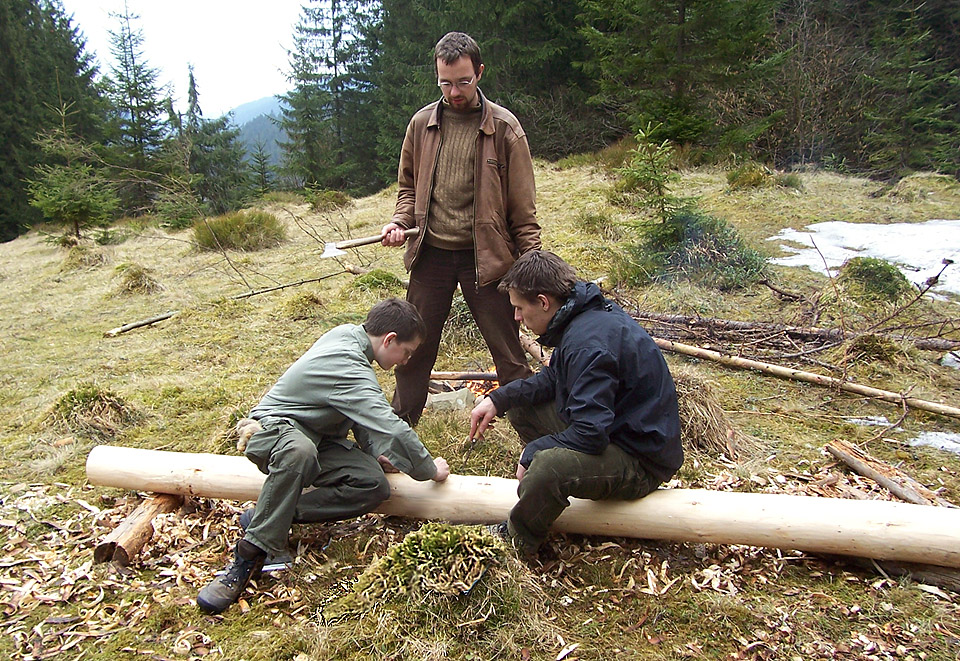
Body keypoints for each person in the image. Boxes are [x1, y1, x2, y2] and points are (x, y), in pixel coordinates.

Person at [197, 299, 450, 614]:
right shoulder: (348, 364)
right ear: (389, 339)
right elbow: (392, 428)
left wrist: (377, 455)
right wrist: (429, 469)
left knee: (372, 484)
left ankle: (268, 518)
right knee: (298, 451)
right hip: (275, 432)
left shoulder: (348, 335)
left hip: (318, 440)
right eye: (407, 352)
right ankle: (247, 555)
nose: (406, 360)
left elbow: (359, 416)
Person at [468, 251, 683, 555]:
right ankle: (550, 494)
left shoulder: (588, 343)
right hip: (612, 430)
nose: (517, 317)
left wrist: (534, 454)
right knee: (518, 403)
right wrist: (497, 399)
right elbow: (554, 379)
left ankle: (516, 543)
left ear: (543, 302)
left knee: (547, 467)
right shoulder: (582, 317)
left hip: (640, 459)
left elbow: (590, 433)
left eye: (519, 308)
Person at [380, 31, 540, 426]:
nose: (455, 91)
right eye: (445, 83)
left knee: (509, 355)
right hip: (430, 256)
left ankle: (537, 441)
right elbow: (407, 188)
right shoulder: (421, 125)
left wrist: (533, 265)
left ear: (480, 72)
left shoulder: (504, 128)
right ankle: (396, 439)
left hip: (486, 260)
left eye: (464, 81)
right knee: (413, 352)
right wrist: (401, 222)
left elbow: (523, 208)